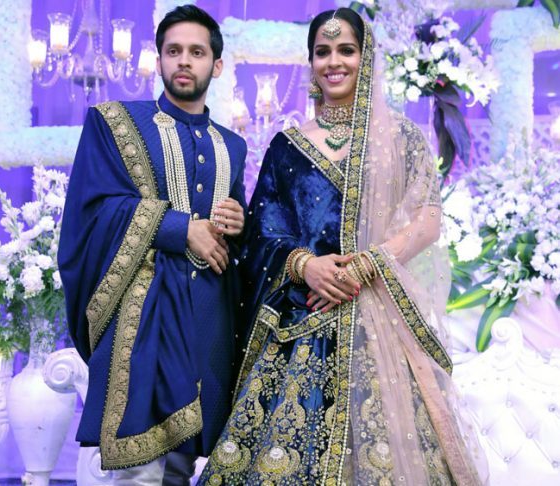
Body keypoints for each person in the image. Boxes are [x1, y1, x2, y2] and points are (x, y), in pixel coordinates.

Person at [199, 8, 488, 486]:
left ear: (365, 57)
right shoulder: (288, 145)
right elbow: (262, 231)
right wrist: (305, 265)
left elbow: (428, 219)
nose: (334, 62)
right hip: (303, 313)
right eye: (323, 52)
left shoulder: (401, 137)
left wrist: (368, 264)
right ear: (311, 63)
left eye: (346, 50)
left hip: (380, 316)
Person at [58, 5, 247, 484]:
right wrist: (180, 228)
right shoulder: (115, 123)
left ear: (216, 66)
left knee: (183, 467)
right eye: (173, 51)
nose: (184, 60)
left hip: (207, 320)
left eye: (197, 52)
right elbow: (92, 210)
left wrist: (239, 222)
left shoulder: (233, 145)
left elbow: (239, 235)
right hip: (143, 318)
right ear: (159, 59)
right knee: (138, 472)